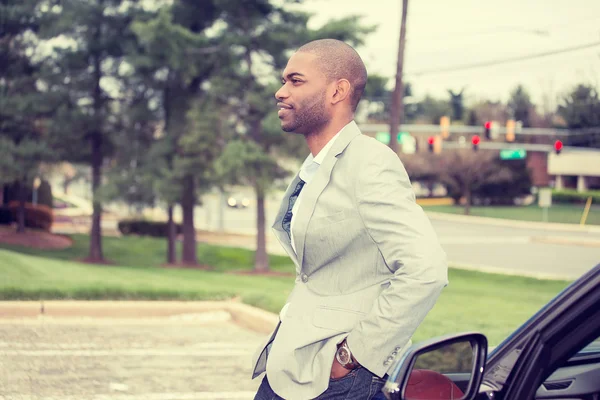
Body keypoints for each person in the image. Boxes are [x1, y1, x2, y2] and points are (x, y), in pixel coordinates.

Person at [251, 38, 448, 400]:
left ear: (337, 91)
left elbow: (426, 270)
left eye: (295, 81)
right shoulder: (318, 165)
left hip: (338, 380)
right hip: (297, 363)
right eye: (283, 81)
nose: (280, 92)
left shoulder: (370, 163)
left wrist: (353, 355)